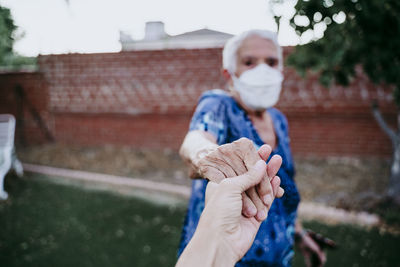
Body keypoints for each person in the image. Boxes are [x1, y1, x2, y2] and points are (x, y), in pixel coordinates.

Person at [177, 29, 326, 266]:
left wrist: (299, 234)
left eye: (271, 62)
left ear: (280, 71)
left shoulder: (279, 120)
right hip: (224, 256)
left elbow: (282, 185)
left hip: (279, 256)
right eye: (249, 62)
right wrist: (207, 156)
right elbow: (195, 139)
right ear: (229, 74)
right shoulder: (218, 104)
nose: (262, 70)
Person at [176, 153, 283, 266]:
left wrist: (299, 233)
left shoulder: (283, 138)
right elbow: (192, 143)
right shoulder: (221, 135)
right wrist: (216, 157)